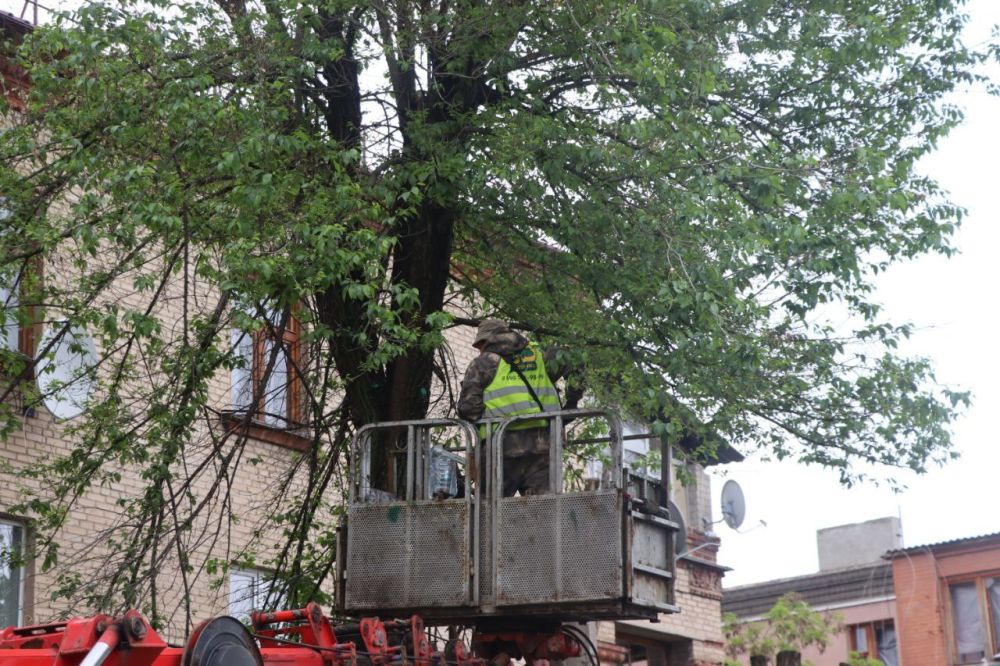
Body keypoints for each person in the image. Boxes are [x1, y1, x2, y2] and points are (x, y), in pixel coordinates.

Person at [457, 319, 582, 496]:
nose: (479, 350)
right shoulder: (539, 354)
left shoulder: (483, 364)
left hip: (499, 447)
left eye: (480, 345)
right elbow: (576, 360)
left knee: (490, 514)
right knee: (543, 512)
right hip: (544, 446)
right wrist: (571, 403)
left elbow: (467, 409)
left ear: (487, 340)